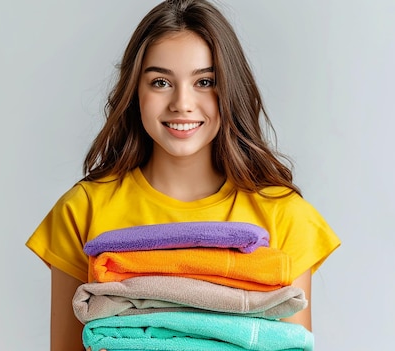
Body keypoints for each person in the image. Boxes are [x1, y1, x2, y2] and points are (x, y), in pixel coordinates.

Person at [26, 0, 341, 350]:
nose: (182, 103)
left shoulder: (286, 216)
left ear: (230, 91)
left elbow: (290, 345)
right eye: (161, 82)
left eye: (205, 81)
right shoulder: (82, 211)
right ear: (135, 92)